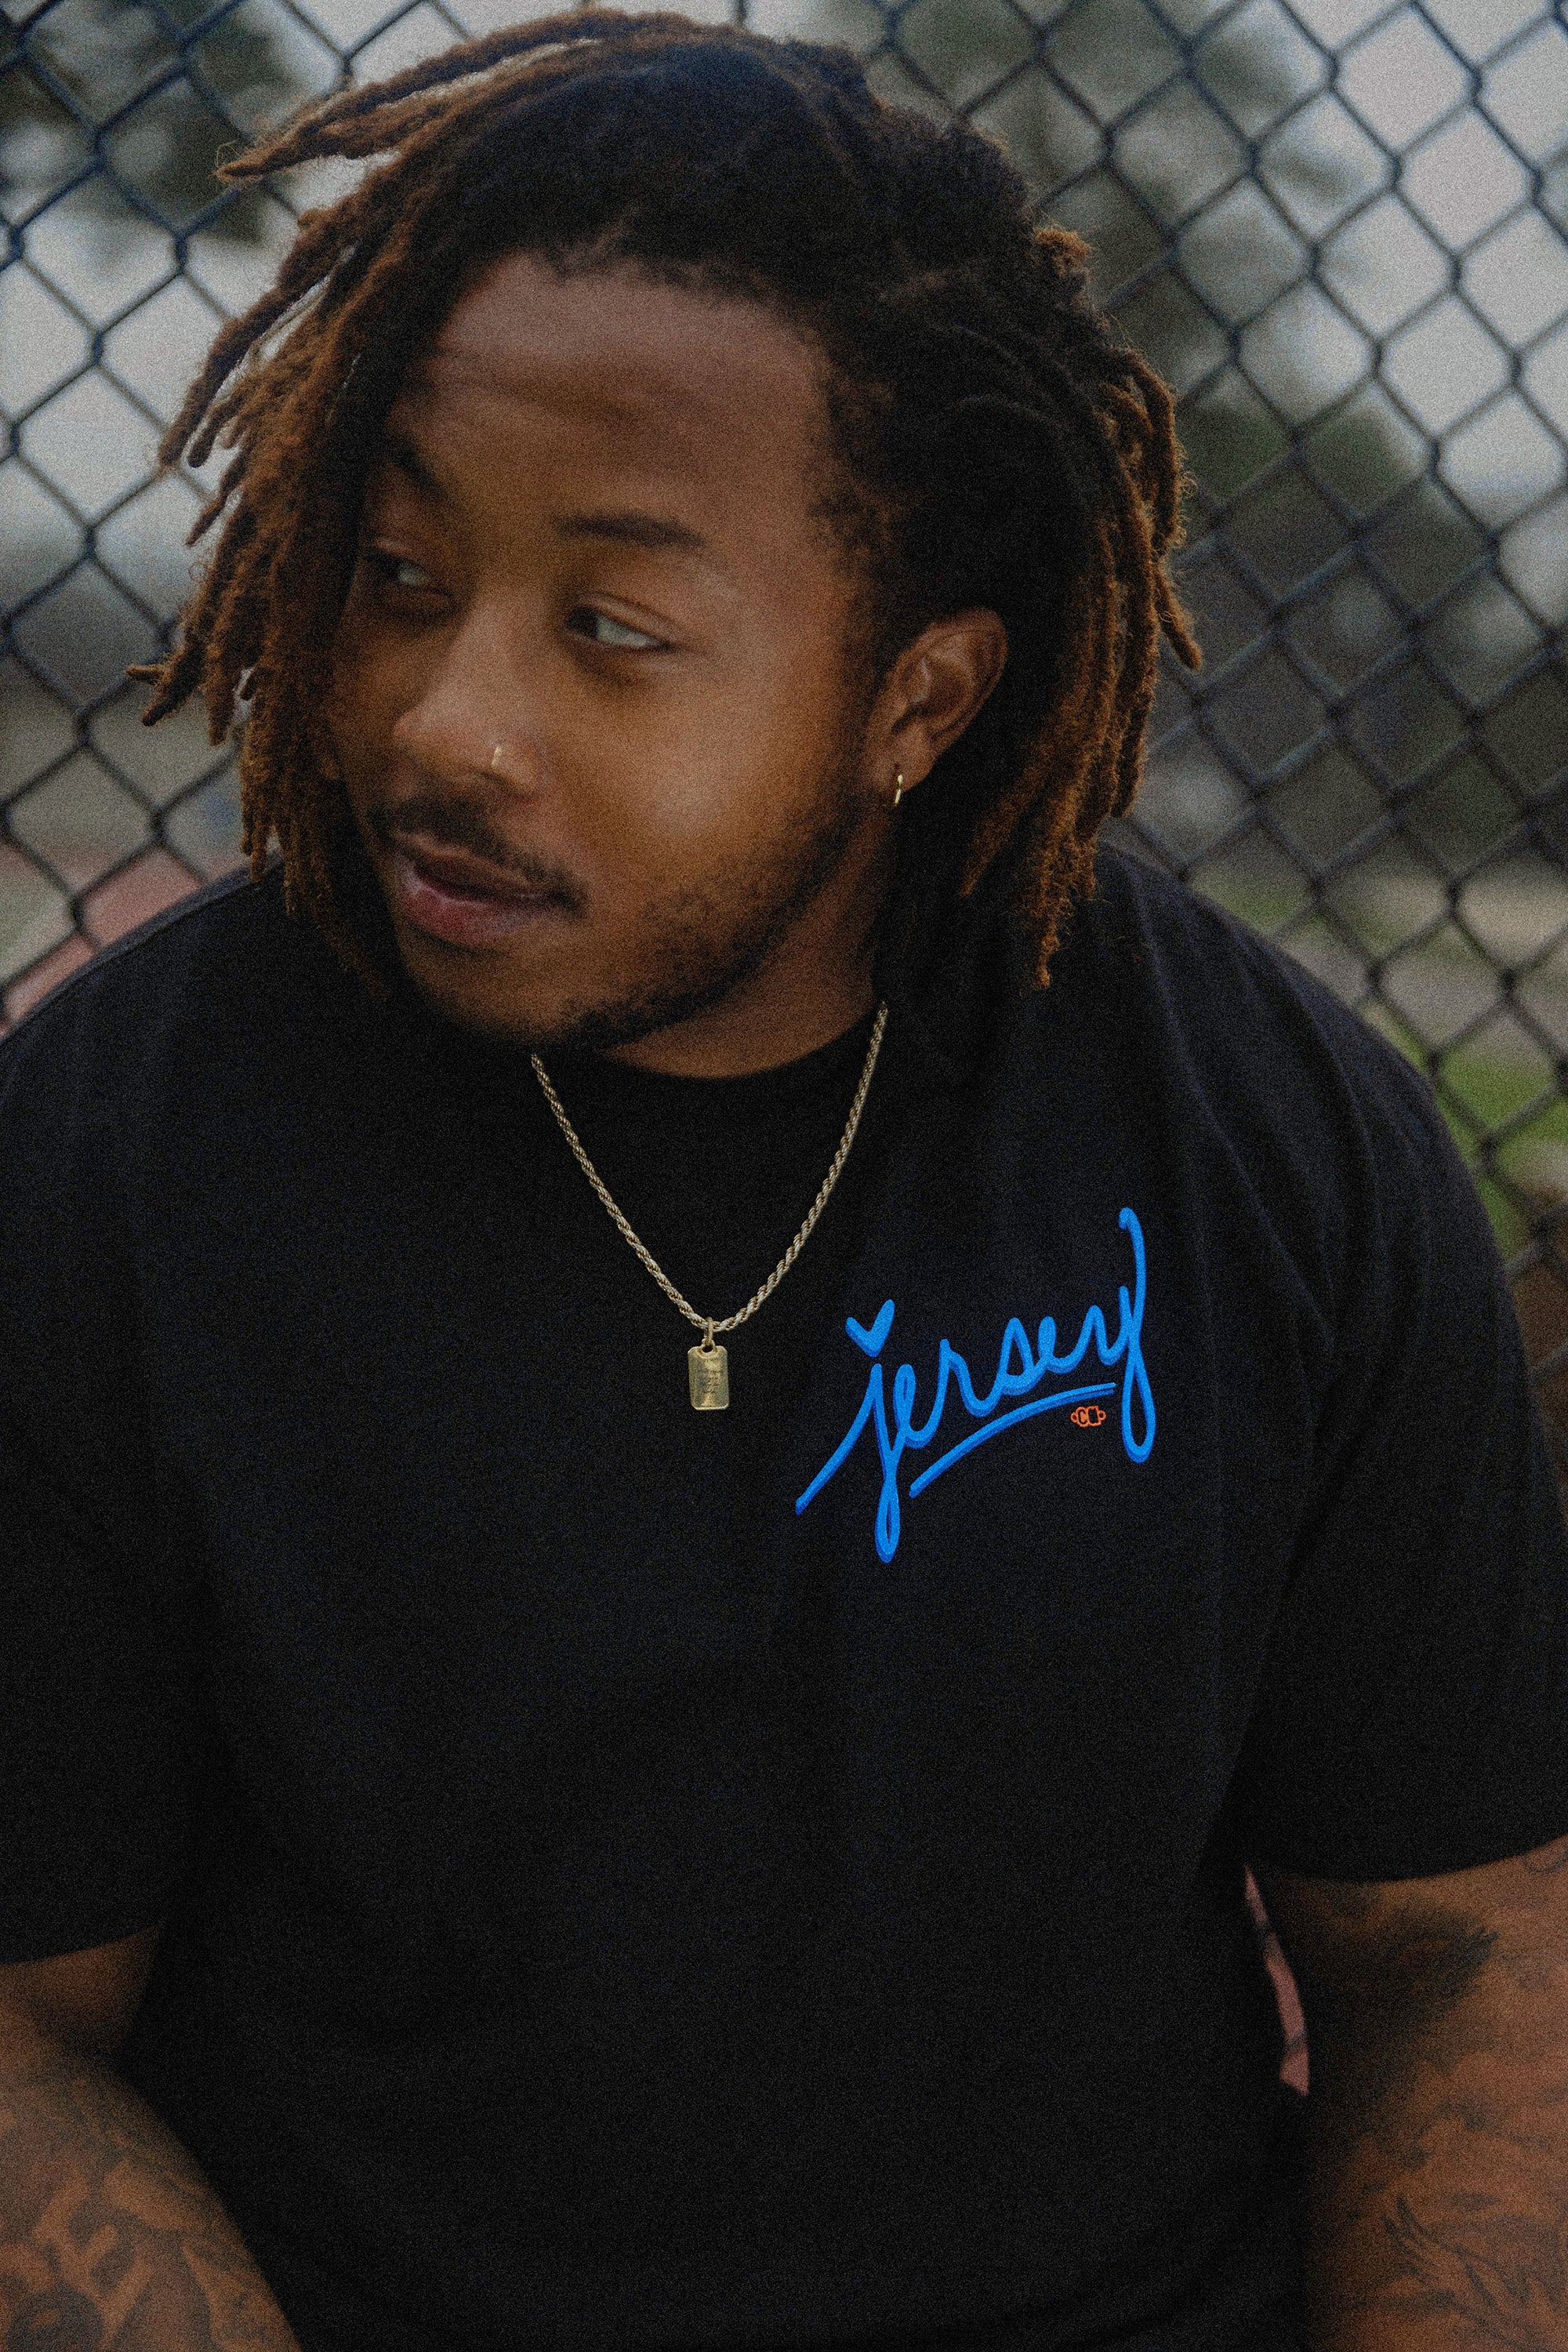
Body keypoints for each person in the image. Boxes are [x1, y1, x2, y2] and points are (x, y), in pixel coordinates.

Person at [2, 12, 1566, 2349]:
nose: (444, 721)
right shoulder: (121, 1154)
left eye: (612, 631)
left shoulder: (1272, 1145)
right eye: (404, 574)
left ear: (913, 704)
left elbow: (1456, 1942)